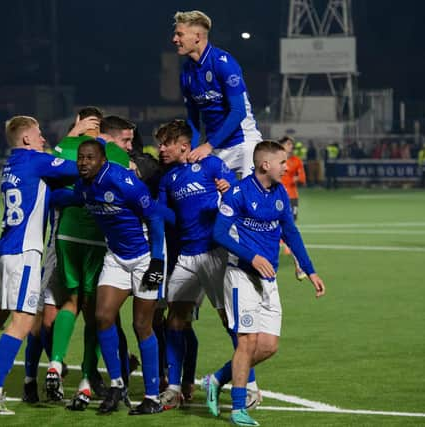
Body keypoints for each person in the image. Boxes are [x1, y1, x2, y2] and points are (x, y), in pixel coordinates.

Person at [0, 115, 79, 415]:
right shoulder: (35, 159)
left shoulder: (13, 164)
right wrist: (77, 139)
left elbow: (48, 193)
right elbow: (79, 167)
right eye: (38, 135)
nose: (43, 139)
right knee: (23, 321)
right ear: (26, 139)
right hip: (25, 252)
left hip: (5, 250)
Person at [213, 140, 326, 426]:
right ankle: (239, 408)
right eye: (283, 163)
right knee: (247, 342)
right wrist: (251, 257)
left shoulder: (280, 194)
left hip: (269, 279)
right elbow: (219, 233)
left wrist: (310, 271)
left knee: (268, 347)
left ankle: (215, 379)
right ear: (266, 164)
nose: (287, 168)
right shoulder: (238, 193)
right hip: (241, 275)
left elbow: (291, 232)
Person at [44, 107, 131, 410]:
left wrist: (69, 137)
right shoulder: (113, 154)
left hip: (66, 233)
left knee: (69, 300)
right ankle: (84, 379)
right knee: (94, 311)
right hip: (97, 235)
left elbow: (45, 164)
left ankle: (54, 363)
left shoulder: (67, 147)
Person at [73, 139, 165, 415]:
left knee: (141, 325)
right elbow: (67, 196)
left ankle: (152, 397)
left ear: (102, 160)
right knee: (102, 317)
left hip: (145, 256)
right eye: (80, 158)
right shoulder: (83, 186)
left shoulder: (122, 181)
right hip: (116, 258)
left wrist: (157, 261)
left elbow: (155, 218)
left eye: (90, 158)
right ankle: (116, 385)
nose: (83, 162)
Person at [154, 119, 239, 411]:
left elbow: (237, 192)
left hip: (215, 253)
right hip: (187, 256)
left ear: (184, 145)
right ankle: (175, 388)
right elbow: (168, 216)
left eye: (166, 143)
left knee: (230, 321)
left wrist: (229, 188)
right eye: (159, 144)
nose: (161, 149)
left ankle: (247, 384)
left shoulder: (211, 165)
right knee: (174, 319)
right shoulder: (168, 179)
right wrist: (143, 203)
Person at [173, 10, 262, 178]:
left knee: (250, 201)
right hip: (216, 149)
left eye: (180, 34)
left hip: (244, 144)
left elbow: (238, 111)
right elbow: (193, 119)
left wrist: (208, 146)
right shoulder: (186, 73)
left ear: (197, 36)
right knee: (207, 201)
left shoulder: (223, 63)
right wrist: (190, 150)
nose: (175, 39)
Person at [279, 136, 308, 280]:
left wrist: (292, 179)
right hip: (277, 197)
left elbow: (302, 178)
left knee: (291, 227)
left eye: (291, 144)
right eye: (288, 144)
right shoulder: (276, 159)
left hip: (292, 197)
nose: (291, 146)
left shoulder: (296, 161)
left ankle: (298, 265)